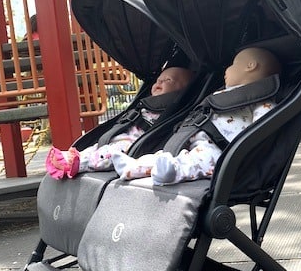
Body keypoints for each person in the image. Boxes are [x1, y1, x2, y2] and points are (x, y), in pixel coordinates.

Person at [111, 47, 281, 186]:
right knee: (163, 156)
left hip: (221, 151)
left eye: (233, 64)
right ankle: (133, 167)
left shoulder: (262, 101)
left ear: (250, 65)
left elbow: (263, 128)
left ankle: (171, 174)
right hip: (197, 140)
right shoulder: (223, 94)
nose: (227, 70)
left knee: (194, 163)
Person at [45, 66, 194, 179]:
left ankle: (78, 163)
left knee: (111, 153)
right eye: (158, 80)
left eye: (168, 80)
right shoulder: (147, 104)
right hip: (124, 134)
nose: (159, 83)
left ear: (184, 90)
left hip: (136, 142)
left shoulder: (177, 110)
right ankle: (73, 157)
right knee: (97, 147)